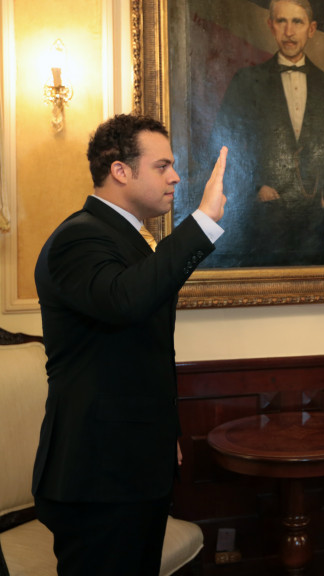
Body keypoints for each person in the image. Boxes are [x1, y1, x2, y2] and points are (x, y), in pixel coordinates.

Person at [32, 113, 228, 575]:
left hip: (134, 464)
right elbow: (125, 301)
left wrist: (162, 433)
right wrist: (202, 222)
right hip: (97, 474)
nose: (175, 176)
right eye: (162, 166)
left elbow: (141, 350)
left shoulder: (129, 238)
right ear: (120, 171)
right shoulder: (79, 236)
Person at [203, 0, 324, 268]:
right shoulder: (245, 82)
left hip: (319, 228)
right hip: (261, 227)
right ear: (271, 26)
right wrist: (254, 186)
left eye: (297, 22)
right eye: (282, 21)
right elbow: (220, 147)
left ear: (311, 29)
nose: (289, 31)